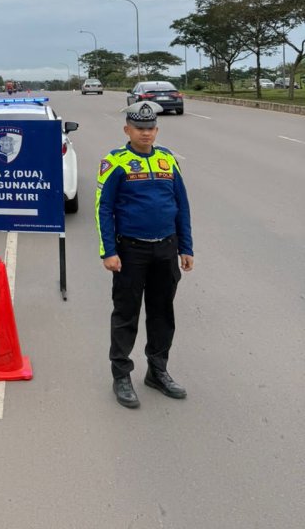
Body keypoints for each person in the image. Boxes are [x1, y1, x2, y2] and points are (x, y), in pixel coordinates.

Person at [95, 101, 194, 409]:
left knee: (162, 313)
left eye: (151, 128)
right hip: (131, 251)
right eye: (140, 128)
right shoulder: (115, 162)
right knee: (126, 315)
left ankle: (157, 371)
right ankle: (121, 375)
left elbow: (182, 205)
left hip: (166, 248)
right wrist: (108, 251)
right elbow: (104, 209)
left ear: (157, 129)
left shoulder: (167, 160)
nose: (146, 133)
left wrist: (186, 247)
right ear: (128, 129)